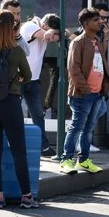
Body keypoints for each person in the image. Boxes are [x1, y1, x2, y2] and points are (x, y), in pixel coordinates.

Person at [0, 10, 37, 209]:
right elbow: (28, 75)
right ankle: (26, 196)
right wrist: (17, 78)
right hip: (10, 103)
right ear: (12, 27)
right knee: (19, 152)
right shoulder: (17, 50)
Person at [59, 8, 109, 175]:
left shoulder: (97, 41)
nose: (100, 22)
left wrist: (103, 88)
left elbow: (102, 65)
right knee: (77, 127)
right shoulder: (78, 42)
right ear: (85, 23)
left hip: (96, 94)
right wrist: (86, 89)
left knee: (89, 129)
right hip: (82, 94)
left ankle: (83, 160)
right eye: (96, 20)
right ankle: (66, 159)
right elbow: (73, 69)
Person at [20, 13, 62, 157]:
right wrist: (51, 32)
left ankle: (43, 147)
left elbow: (56, 36)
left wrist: (59, 33)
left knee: (38, 114)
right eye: (53, 30)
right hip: (17, 79)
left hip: (32, 80)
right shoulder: (29, 26)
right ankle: (15, 145)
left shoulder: (44, 29)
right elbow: (48, 36)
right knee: (14, 114)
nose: (55, 38)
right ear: (44, 25)